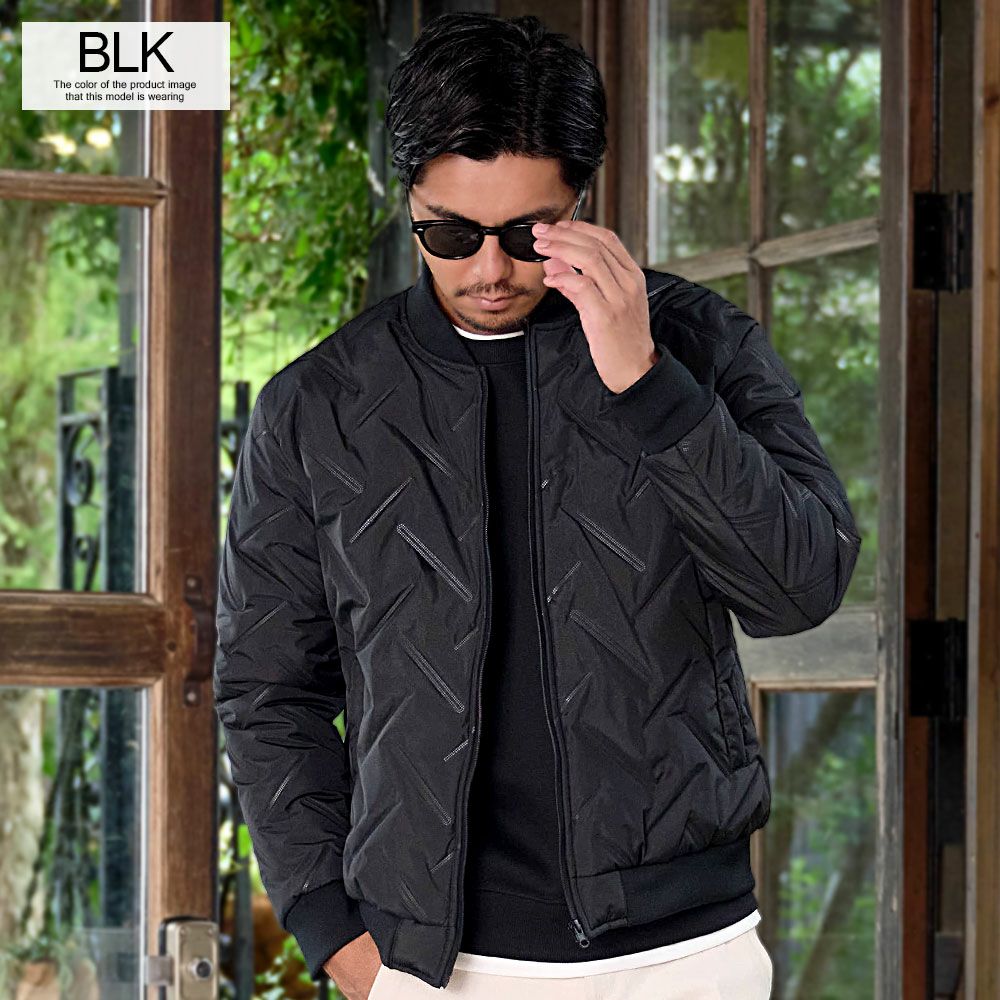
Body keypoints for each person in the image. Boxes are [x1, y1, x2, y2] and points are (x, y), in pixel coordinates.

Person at [213, 12, 861, 1000]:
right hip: (435, 963)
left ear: (579, 201)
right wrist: (331, 929)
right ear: (408, 200)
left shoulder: (698, 347)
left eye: (527, 233)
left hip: (685, 954)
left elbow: (798, 587)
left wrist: (646, 383)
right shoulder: (317, 408)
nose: (489, 269)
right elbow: (268, 691)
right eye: (450, 233)